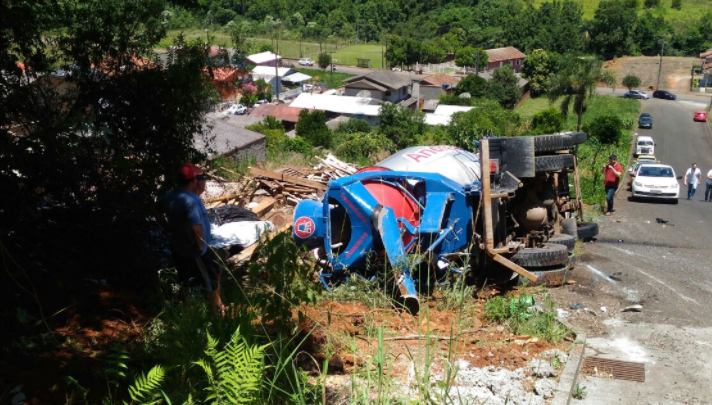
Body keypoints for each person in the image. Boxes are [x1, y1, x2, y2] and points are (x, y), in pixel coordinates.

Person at [154, 163, 223, 309]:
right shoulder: (190, 202)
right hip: (195, 250)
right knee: (210, 279)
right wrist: (199, 245)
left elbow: (157, 212)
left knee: (187, 278)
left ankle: (183, 307)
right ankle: (216, 311)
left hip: (179, 246)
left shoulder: (170, 195)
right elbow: (196, 227)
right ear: (193, 181)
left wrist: (167, 228)